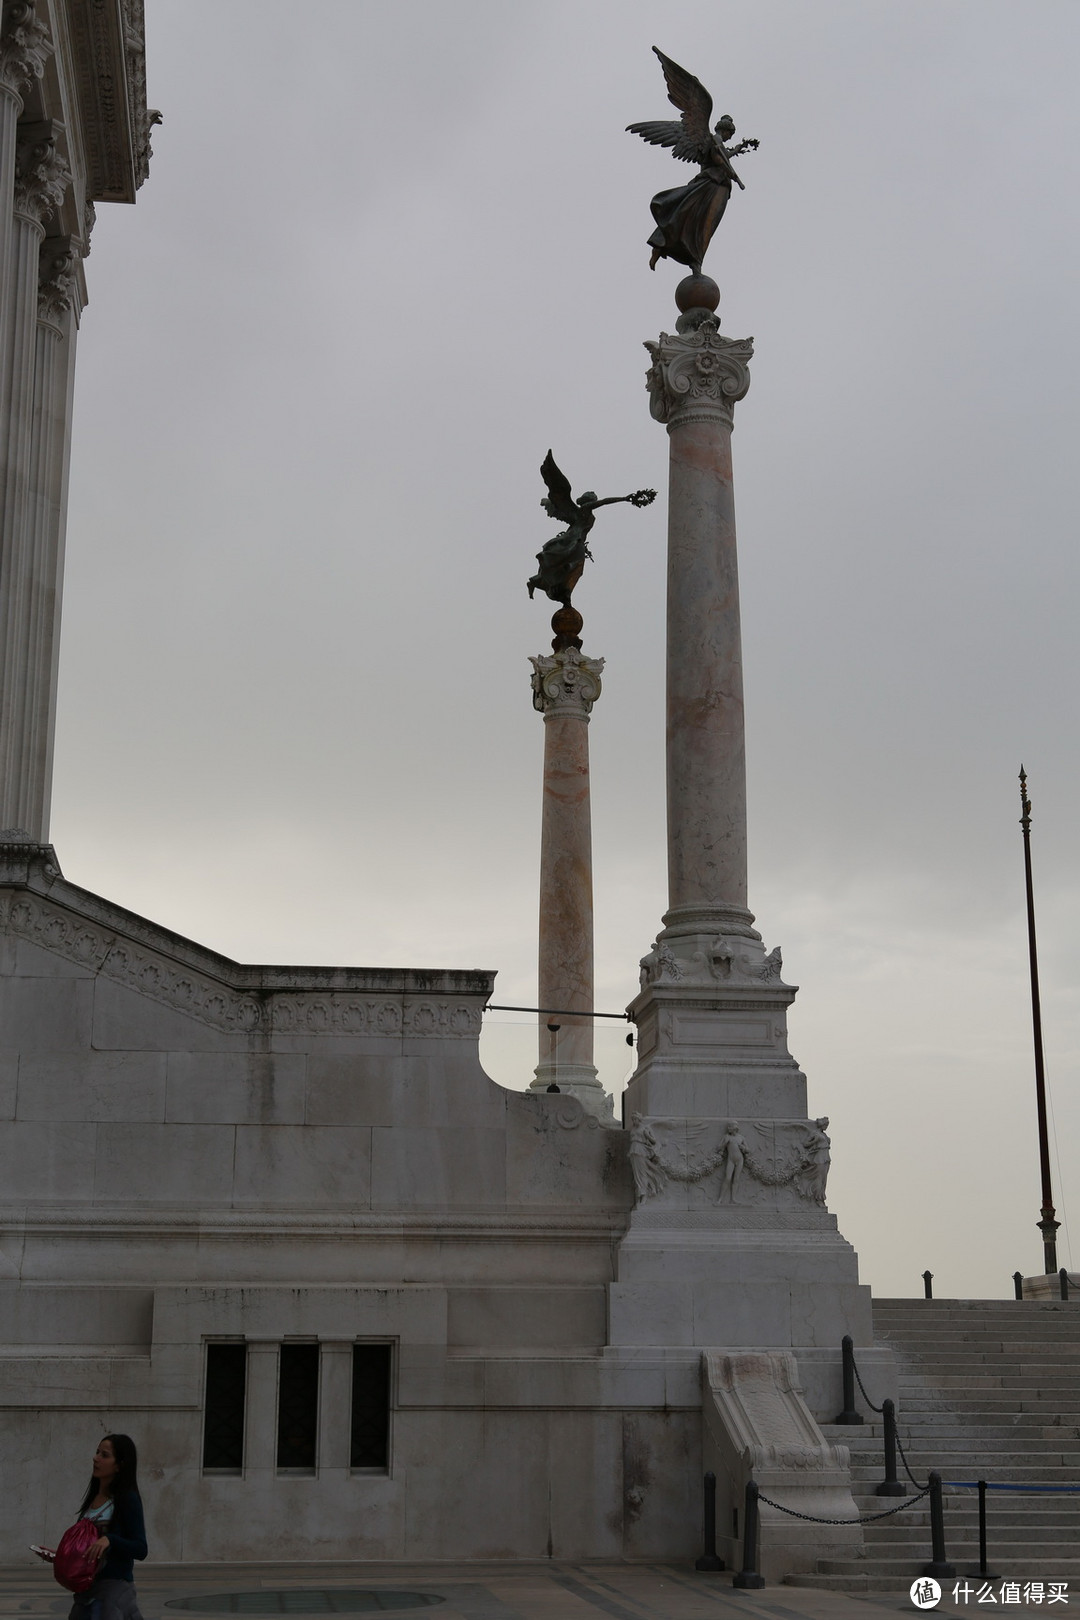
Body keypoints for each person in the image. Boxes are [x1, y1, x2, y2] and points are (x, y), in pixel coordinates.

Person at [37, 1434, 148, 1620]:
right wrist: (62, 1557)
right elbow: (89, 1549)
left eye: (104, 1455)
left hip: (112, 1591)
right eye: (97, 1452)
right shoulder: (93, 1499)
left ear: (119, 1465)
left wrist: (110, 1540)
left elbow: (140, 1548)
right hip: (87, 1592)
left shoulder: (127, 1499)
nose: (96, 1458)